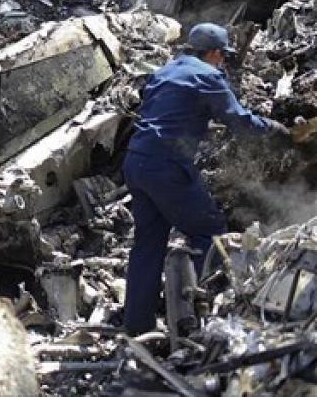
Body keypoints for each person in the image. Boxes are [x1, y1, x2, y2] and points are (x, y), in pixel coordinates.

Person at [122, 24, 288, 335]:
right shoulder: (209, 77)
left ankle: (136, 325)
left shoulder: (164, 72)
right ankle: (194, 322)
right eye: (222, 56)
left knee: (147, 244)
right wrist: (275, 130)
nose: (222, 62)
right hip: (166, 167)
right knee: (210, 235)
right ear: (213, 53)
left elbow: (167, 113)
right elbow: (239, 121)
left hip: (136, 161)